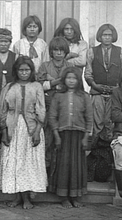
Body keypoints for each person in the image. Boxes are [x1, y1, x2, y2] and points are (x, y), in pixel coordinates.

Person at [0, 56, 47, 209]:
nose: (24, 73)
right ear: (16, 71)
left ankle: (27, 199)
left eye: (27, 70)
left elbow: (41, 109)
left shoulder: (37, 86)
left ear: (31, 71)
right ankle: (17, 197)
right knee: (14, 162)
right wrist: (4, 131)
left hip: (31, 128)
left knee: (28, 163)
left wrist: (38, 131)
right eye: (21, 70)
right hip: (13, 128)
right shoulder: (9, 87)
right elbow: (3, 110)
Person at [48, 66, 93, 208]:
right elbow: (52, 116)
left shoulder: (84, 97)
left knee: (77, 166)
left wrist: (86, 137)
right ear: (64, 79)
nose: (71, 81)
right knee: (64, 165)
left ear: (78, 80)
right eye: (68, 78)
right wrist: (56, 135)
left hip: (79, 135)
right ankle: (63, 197)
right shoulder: (58, 96)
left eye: (74, 78)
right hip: (63, 135)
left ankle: (75, 196)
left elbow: (89, 118)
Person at [37, 36, 73, 169]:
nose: (58, 53)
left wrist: (52, 82)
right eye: (56, 50)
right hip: (48, 105)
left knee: (63, 140)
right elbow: (39, 85)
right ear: (51, 51)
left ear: (66, 52)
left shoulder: (70, 66)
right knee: (47, 139)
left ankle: (59, 172)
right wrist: (56, 82)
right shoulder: (44, 66)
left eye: (61, 50)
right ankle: (44, 170)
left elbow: (72, 84)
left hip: (65, 107)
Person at [84, 24, 122, 148]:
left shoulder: (120, 52)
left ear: (113, 36)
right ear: (100, 36)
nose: (107, 38)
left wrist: (116, 87)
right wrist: (95, 86)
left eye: (109, 35)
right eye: (104, 35)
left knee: (109, 124)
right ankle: (95, 157)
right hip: (97, 93)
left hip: (114, 94)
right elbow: (88, 74)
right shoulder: (92, 51)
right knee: (97, 123)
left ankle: (110, 159)